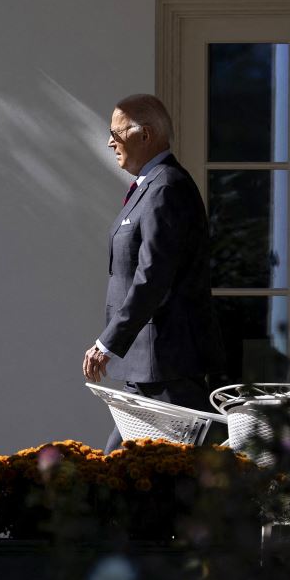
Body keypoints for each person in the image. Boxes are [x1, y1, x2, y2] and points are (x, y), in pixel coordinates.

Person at [83, 94, 221, 449]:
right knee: (125, 472)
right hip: (148, 365)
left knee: (194, 476)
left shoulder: (166, 187)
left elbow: (153, 279)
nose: (110, 141)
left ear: (145, 135)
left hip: (167, 365)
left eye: (117, 132)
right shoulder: (152, 185)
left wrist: (107, 342)